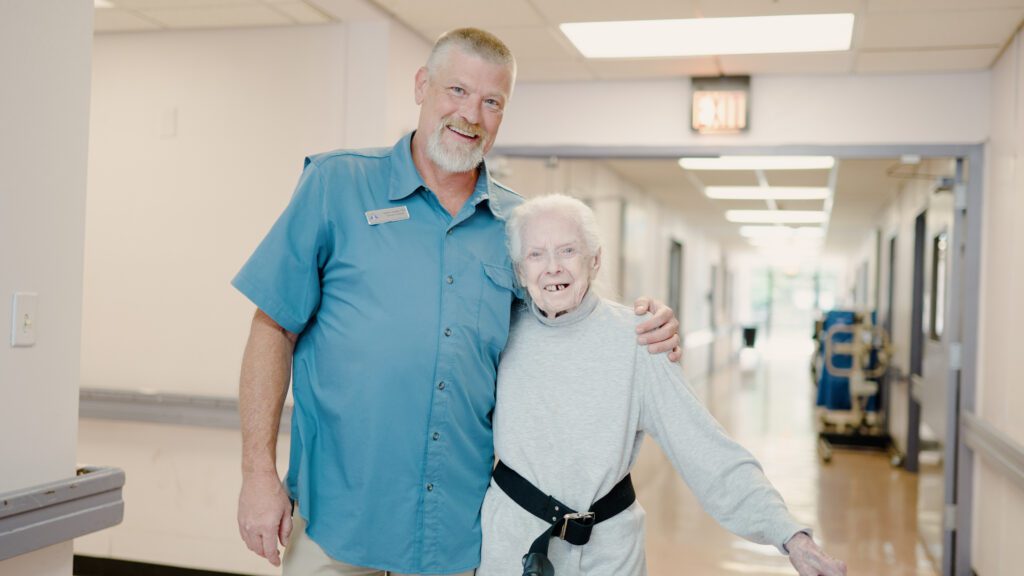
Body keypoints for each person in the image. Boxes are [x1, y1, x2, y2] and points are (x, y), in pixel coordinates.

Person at [232, 28, 681, 576]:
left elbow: (568, 325)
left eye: (492, 102)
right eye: (457, 91)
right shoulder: (338, 184)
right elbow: (271, 328)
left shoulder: (520, 226)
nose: (471, 114)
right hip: (339, 522)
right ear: (422, 86)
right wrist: (258, 473)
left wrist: (641, 323)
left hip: (460, 534)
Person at [478, 194, 847, 576]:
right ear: (521, 271)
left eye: (568, 250)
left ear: (595, 260)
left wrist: (790, 535)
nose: (553, 267)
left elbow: (705, 449)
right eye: (537, 255)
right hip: (512, 548)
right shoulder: (495, 332)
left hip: (609, 557)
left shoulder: (640, 341)